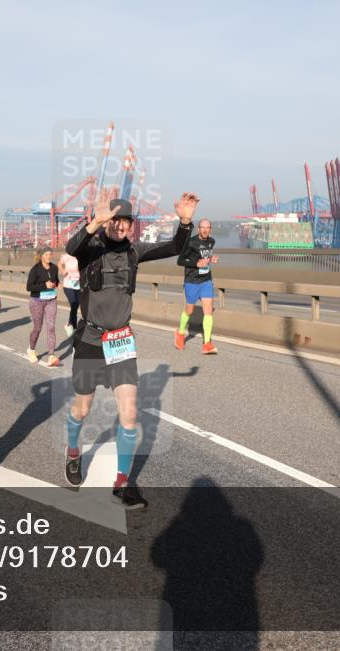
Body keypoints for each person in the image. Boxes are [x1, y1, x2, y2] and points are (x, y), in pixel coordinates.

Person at [63, 192, 199, 509]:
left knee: (130, 415)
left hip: (121, 340)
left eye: (126, 222)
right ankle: (73, 451)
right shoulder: (91, 250)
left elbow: (175, 248)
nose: (121, 227)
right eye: (116, 221)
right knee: (81, 409)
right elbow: (71, 248)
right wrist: (94, 221)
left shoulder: (134, 252)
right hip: (90, 342)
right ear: (107, 222)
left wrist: (185, 222)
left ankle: (122, 482)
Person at [175, 218, 219, 354]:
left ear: (210, 229)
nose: (205, 230)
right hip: (192, 281)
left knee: (208, 310)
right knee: (189, 311)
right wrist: (196, 263)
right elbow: (180, 261)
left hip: (206, 280)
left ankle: (207, 344)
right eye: (202, 227)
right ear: (199, 229)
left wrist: (212, 259)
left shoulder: (212, 242)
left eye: (208, 228)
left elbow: (206, 257)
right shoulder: (191, 242)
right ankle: (180, 333)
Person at [25, 247, 60, 366]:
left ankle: (51, 355)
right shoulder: (35, 269)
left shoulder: (54, 268)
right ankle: (31, 349)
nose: (48, 257)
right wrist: (45, 285)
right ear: (41, 256)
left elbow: (56, 281)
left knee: (51, 327)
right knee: (38, 328)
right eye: (46, 254)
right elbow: (29, 287)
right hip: (37, 301)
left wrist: (57, 284)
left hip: (51, 301)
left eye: (50, 254)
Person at [58, 250, 81, 337]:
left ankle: (72, 326)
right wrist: (62, 270)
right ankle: (71, 325)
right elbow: (59, 263)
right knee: (73, 303)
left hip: (79, 284)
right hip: (68, 284)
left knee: (76, 306)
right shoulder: (67, 256)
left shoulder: (82, 255)